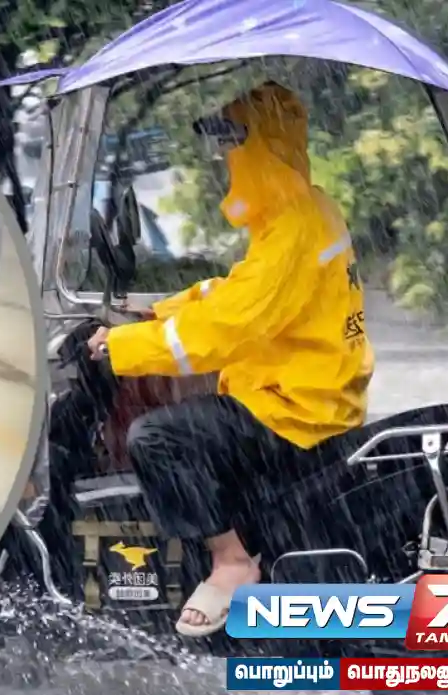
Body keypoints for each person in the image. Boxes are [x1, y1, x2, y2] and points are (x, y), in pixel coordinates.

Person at [85, 82, 374, 638]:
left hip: (293, 409)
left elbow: (234, 326)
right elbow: (239, 291)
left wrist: (124, 348)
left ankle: (231, 562)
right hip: (312, 393)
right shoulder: (305, 212)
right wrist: (161, 310)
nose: (224, 161)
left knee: (157, 439)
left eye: (232, 148)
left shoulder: (293, 229)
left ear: (261, 151)